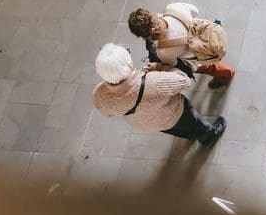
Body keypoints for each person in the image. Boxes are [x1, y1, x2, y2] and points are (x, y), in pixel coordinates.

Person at [92, 43, 226, 147]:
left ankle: (191, 135)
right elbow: (184, 81)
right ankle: (209, 136)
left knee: (178, 130)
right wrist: (160, 68)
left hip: (148, 123)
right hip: (174, 113)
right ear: (129, 63)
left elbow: (107, 113)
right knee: (194, 124)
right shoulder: (153, 82)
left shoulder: (99, 94)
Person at [127, 3, 235, 89]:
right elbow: (195, 10)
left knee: (209, 68)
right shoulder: (173, 8)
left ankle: (226, 73)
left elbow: (174, 65)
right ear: (152, 14)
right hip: (206, 34)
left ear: (144, 36)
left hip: (197, 56)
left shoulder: (163, 51)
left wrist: (157, 66)